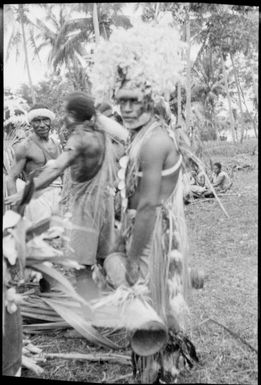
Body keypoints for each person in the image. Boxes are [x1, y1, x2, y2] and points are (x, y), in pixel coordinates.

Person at [90, 22, 198, 382]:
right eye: (120, 99)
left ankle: (161, 370)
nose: (126, 107)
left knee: (151, 301)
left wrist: (133, 259)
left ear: (151, 97)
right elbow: (125, 139)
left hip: (153, 235)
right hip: (144, 229)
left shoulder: (153, 142)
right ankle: (158, 367)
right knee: (150, 305)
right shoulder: (142, 134)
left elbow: (149, 206)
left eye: (134, 100)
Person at [5, 92, 127, 299]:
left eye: (67, 113)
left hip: (86, 207)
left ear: (75, 115)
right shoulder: (100, 135)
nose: (64, 118)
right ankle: (125, 300)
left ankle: (90, 320)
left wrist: (25, 192)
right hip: (104, 202)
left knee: (81, 268)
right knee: (106, 257)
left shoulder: (78, 138)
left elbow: (55, 169)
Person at [6, 104, 62, 224]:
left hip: (58, 196)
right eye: (37, 121)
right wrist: (16, 208)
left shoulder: (56, 143)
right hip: (36, 197)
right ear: (31, 123)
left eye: (45, 120)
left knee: (60, 234)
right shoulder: (25, 146)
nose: (42, 125)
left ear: (50, 120)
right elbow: (11, 177)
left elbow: (62, 172)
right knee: (41, 237)